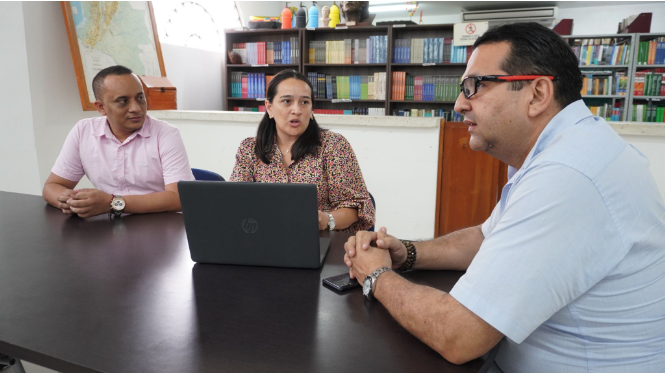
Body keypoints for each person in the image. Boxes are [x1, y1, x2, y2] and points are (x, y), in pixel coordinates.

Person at [344, 22, 665, 372]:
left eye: (474, 87)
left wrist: (377, 276)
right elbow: (486, 237)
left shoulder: (568, 175)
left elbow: (458, 335)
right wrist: (408, 253)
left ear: (538, 94)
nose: (459, 105)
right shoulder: (570, 148)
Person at [230, 69, 374, 233]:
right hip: (263, 238)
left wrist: (327, 220)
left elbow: (356, 206)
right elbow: (235, 201)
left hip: (320, 240)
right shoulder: (250, 148)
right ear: (269, 107)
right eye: (286, 101)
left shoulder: (333, 146)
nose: (297, 110)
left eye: (304, 102)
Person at [43, 65, 194, 218]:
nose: (136, 108)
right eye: (123, 101)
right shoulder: (83, 131)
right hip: (110, 227)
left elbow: (179, 198)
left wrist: (113, 203)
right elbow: (52, 186)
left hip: (161, 225)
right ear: (101, 107)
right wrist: (69, 200)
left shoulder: (166, 134)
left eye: (140, 98)